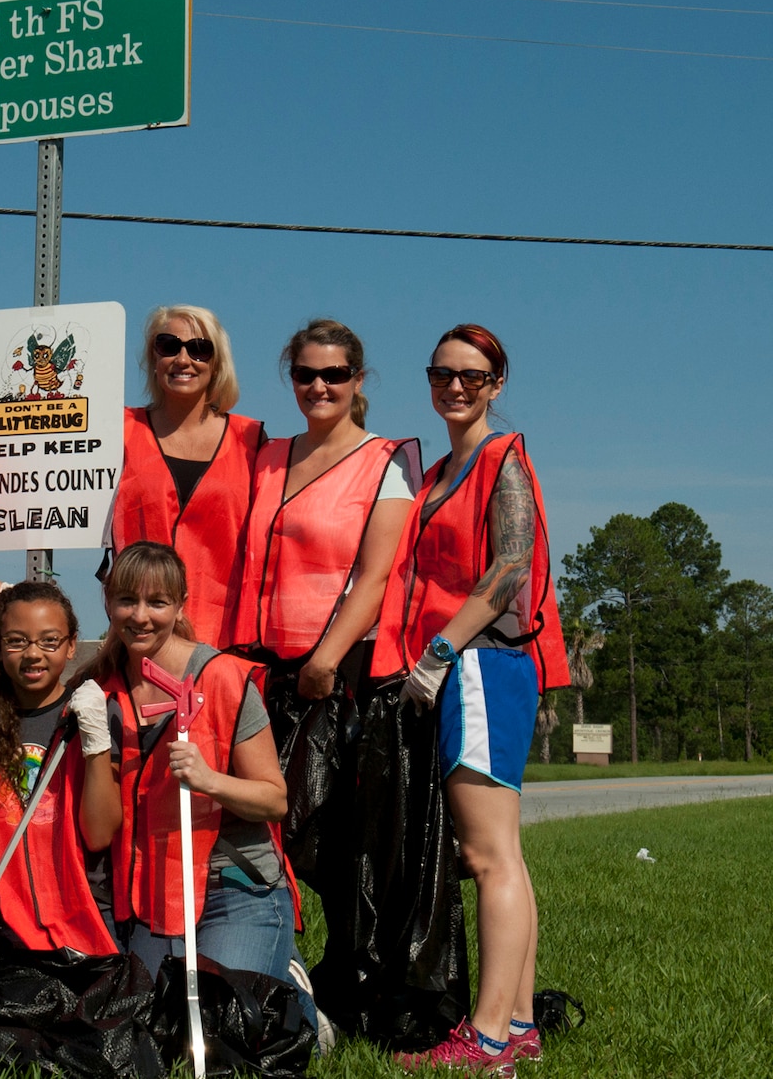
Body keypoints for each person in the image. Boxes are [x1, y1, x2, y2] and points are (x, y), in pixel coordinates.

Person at [376, 324, 570, 1072]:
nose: (455, 386)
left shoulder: (500, 457)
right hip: (464, 667)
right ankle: (517, 1023)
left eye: (473, 375)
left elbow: (511, 563)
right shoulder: (441, 470)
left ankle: (485, 1040)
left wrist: (440, 650)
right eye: (442, 373)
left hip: (482, 665)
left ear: (497, 383)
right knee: (503, 854)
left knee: (487, 856)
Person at [228, 318, 418, 1007]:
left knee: (337, 842)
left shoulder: (385, 463)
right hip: (259, 668)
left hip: (336, 676)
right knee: (259, 831)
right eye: (306, 373)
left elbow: (374, 578)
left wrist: (327, 658)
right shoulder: (267, 455)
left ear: (357, 381)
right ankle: (264, 962)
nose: (319, 386)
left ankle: (350, 982)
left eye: (334, 374)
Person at [95, 541, 316, 1028]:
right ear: (108, 603)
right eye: (126, 601)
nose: (140, 616)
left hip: (234, 886)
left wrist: (209, 780)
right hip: (154, 891)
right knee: (150, 1030)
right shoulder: (102, 692)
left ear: (181, 604)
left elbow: (275, 800)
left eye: (157, 603)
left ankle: (296, 1000)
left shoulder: (222, 677)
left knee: (223, 1028)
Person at [0, 582, 119, 959]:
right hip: (9, 923)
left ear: (71, 645)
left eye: (50, 641)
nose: (34, 654)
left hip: (90, 916)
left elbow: (100, 834)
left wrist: (96, 742)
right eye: (17, 641)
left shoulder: (93, 712)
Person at [108, 305, 264, 647]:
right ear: (153, 357)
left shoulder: (254, 440)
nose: (183, 359)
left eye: (199, 349)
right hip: (139, 634)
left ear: (217, 362)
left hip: (225, 642)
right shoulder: (116, 429)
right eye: (168, 345)